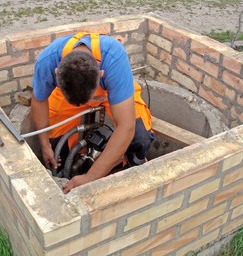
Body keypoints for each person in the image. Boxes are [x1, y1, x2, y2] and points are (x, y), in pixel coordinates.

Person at [31, 32, 154, 194]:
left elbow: (126, 126)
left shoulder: (114, 59)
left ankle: (130, 164)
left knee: (140, 137)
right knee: (56, 147)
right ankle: (71, 169)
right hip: (68, 96)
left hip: (111, 94)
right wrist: (44, 144)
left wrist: (91, 177)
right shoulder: (47, 60)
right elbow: (39, 101)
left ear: (100, 74)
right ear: (56, 73)